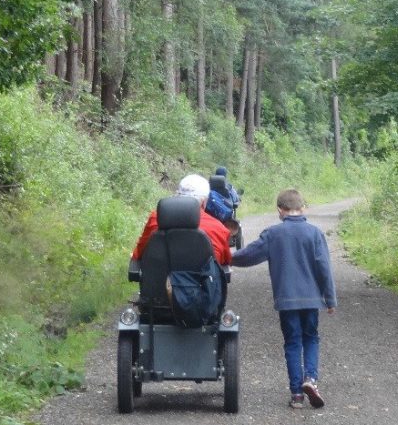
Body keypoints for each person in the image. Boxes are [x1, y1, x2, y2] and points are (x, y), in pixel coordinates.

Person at [230, 189, 336, 409]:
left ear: (280, 210)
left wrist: (225, 257)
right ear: (303, 208)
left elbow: (249, 255)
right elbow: (324, 267)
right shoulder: (315, 233)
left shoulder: (273, 234)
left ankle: (297, 394)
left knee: (292, 343)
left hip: (287, 300)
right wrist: (330, 299)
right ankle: (311, 379)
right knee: (311, 338)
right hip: (311, 300)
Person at [131, 174, 232, 265]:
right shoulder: (219, 228)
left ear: (178, 195)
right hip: (203, 284)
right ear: (204, 201)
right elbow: (224, 261)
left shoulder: (156, 218)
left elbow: (140, 253)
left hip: (158, 282)